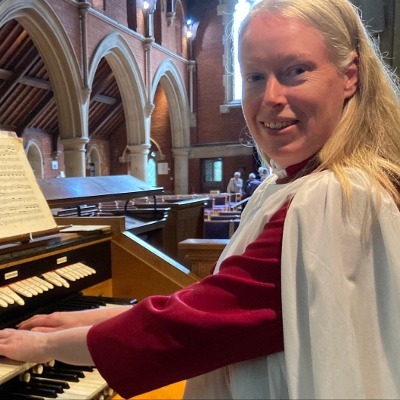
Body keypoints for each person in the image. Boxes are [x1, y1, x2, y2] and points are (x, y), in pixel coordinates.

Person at [1, 0, 400, 398]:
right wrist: (99, 316)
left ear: (350, 76)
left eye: (296, 71)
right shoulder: (314, 183)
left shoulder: (331, 199)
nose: (271, 97)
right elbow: (233, 304)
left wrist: (46, 347)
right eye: (255, 77)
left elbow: (206, 321)